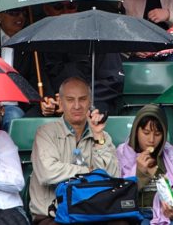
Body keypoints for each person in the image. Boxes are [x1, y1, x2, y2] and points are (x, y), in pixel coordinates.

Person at [29, 77, 119, 225]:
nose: (77, 106)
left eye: (82, 99)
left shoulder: (102, 136)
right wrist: (89, 171)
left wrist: (98, 137)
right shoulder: (45, 133)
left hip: (92, 213)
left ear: (90, 102)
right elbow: (47, 173)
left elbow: (112, 177)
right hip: (53, 214)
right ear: (61, 103)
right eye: (70, 100)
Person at [116, 105, 173, 225]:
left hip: (166, 217)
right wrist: (139, 174)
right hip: (136, 214)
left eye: (158, 134)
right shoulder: (121, 155)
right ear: (136, 131)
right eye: (146, 132)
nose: (151, 139)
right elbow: (118, 200)